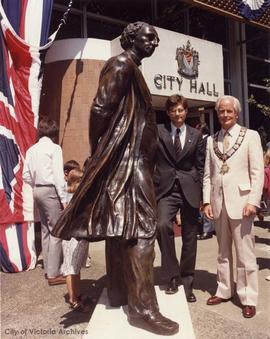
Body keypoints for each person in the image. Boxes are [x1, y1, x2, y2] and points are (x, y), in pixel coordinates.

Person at [52, 22, 178, 335]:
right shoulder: (122, 64)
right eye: (149, 36)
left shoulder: (132, 67)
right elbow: (100, 108)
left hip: (132, 161)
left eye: (156, 37)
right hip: (125, 161)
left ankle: (121, 292)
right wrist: (99, 152)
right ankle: (143, 309)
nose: (154, 41)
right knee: (143, 232)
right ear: (131, 38)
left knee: (120, 227)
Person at [203, 95, 264, 318]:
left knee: (245, 254)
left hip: (242, 203)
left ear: (236, 114)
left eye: (229, 111)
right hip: (219, 204)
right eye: (221, 111)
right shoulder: (211, 140)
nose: (225, 115)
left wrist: (253, 201)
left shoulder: (250, 136)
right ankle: (224, 289)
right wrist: (207, 200)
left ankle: (248, 297)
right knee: (222, 252)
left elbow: (257, 173)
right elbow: (208, 175)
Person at [154, 94, 205, 302]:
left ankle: (187, 281)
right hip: (166, 189)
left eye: (181, 110)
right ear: (168, 113)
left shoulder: (196, 135)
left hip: (189, 188)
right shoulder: (158, 131)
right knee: (162, 225)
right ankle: (172, 275)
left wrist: (201, 193)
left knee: (190, 236)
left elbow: (201, 166)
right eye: (174, 110)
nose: (178, 113)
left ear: (186, 111)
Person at [22, 118, 66, 285]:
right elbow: (58, 176)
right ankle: (53, 274)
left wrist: (36, 183)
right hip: (50, 190)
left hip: (37, 190)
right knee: (56, 231)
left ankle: (48, 267)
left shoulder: (32, 150)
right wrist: (63, 199)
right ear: (54, 132)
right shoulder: (55, 149)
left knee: (46, 230)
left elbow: (26, 175)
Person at [62, 168, 90, 312]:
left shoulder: (78, 196)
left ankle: (77, 295)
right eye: (81, 181)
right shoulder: (70, 198)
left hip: (79, 237)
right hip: (71, 237)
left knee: (76, 267)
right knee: (70, 269)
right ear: (75, 182)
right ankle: (73, 300)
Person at [196, 123, 215, 240]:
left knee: (206, 201)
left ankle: (208, 230)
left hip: (206, 176)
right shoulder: (202, 141)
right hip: (200, 176)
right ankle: (207, 227)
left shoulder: (208, 141)